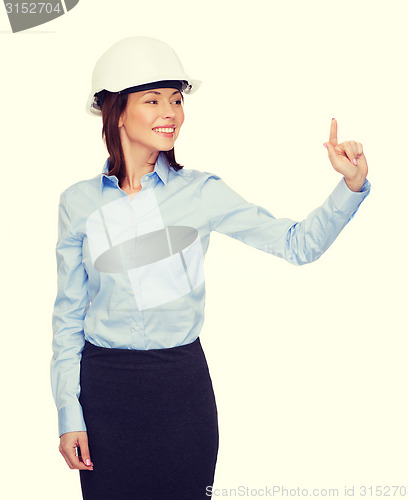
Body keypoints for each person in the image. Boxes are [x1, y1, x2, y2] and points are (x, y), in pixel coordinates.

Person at [51, 36, 371, 500]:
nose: (171, 112)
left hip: (180, 389)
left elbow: (296, 244)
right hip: (105, 392)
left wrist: (351, 187)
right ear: (117, 111)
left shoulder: (202, 193)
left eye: (177, 100)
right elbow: (67, 318)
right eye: (154, 100)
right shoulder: (77, 203)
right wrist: (69, 413)